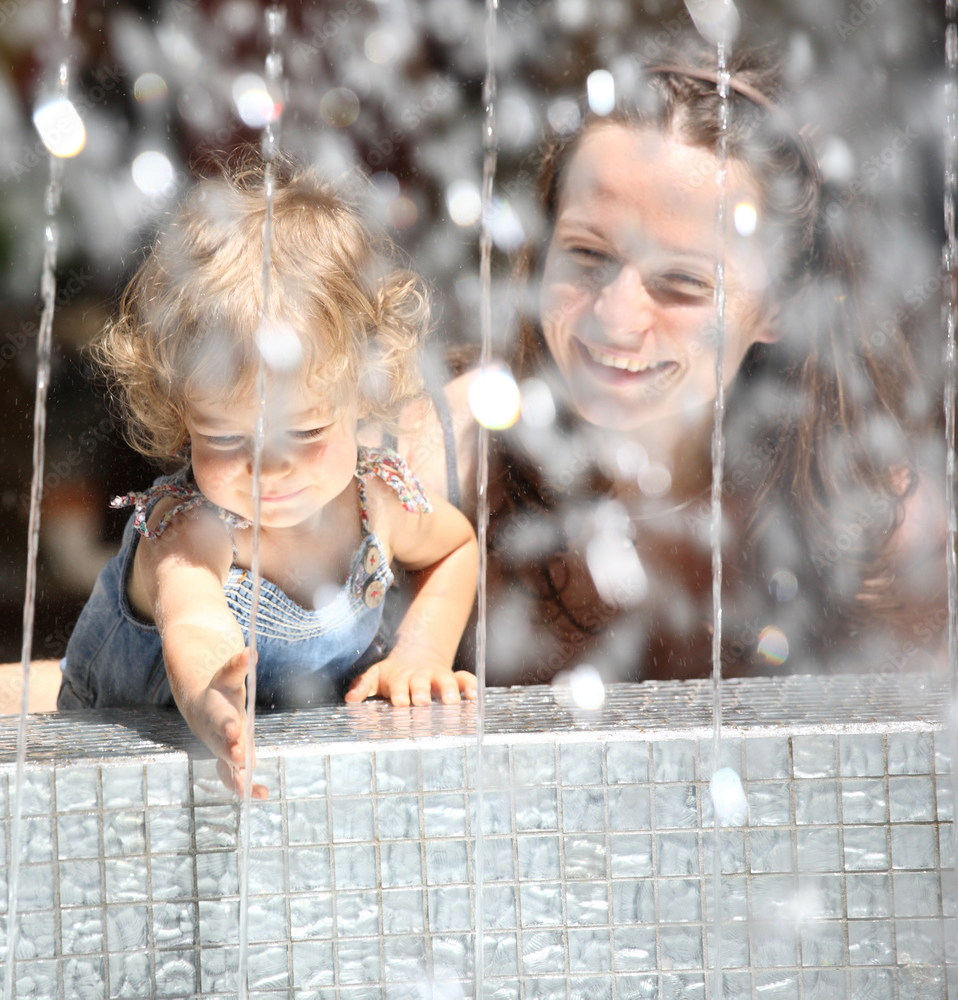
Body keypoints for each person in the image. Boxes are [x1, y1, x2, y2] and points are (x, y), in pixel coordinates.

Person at [390, 43, 946, 686]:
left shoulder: (874, 526)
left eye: (682, 282)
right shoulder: (445, 463)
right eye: (588, 255)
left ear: (779, 305)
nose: (617, 318)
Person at [54, 157, 477, 797]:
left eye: (305, 432)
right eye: (226, 438)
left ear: (363, 399)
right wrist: (215, 700)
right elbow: (195, 624)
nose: (268, 468)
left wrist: (420, 655)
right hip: (124, 754)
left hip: (289, 752)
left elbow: (455, 546)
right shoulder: (191, 529)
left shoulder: (379, 501)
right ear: (183, 415)